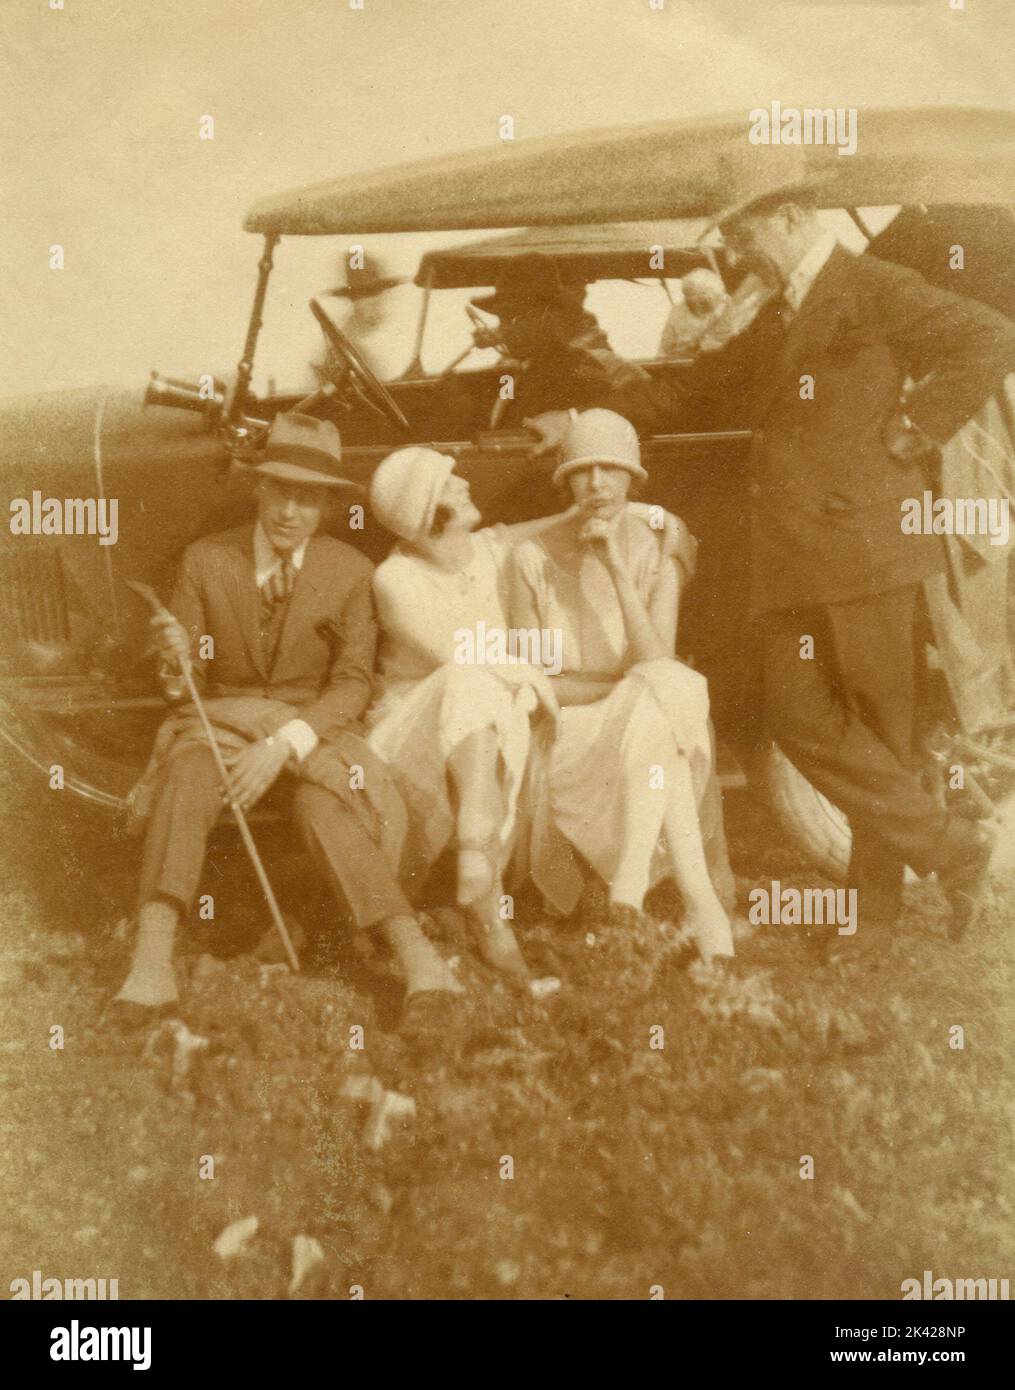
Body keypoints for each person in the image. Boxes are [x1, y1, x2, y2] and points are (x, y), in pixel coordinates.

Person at [526, 157, 1015, 960]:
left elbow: (988, 337)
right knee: (793, 712)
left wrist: (918, 426)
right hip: (793, 559)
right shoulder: (778, 312)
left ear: (791, 218)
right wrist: (591, 415)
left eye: (743, 230)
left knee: (881, 736)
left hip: (868, 551)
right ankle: (952, 847)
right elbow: (696, 389)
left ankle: (876, 922)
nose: (734, 248)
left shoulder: (874, 286)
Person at [115, 412, 461, 1022]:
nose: (289, 512)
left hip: (313, 733)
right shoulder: (205, 560)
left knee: (324, 803)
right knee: (191, 770)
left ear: (327, 506)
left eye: (308, 499)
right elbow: (188, 686)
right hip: (220, 725)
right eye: (280, 491)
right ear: (259, 488)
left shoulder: (350, 572)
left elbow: (354, 683)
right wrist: (173, 659)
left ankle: (416, 959)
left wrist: (284, 742)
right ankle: (151, 962)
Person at [508, 409, 735, 964]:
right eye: (582, 471)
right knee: (664, 703)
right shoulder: (531, 558)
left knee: (663, 695)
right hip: (571, 736)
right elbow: (535, 682)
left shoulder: (660, 539)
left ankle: (627, 901)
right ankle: (699, 908)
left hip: (645, 723)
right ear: (565, 481)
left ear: (634, 479)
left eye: (612, 469)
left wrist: (614, 564)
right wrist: (621, 695)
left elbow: (657, 662)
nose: (598, 484)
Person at [365, 445, 566, 983]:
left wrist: (582, 511)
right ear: (431, 510)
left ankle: (480, 871)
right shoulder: (395, 580)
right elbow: (463, 656)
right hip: (410, 732)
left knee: (482, 700)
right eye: (451, 483)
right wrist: (535, 679)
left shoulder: (482, 550)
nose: (465, 484)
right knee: (468, 678)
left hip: (480, 719)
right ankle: (489, 909)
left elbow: (523, 533)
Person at [469, 253, 645, 428]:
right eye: (503, 320)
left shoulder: (578, 373)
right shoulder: (520, 373)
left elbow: (605, 425)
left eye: (515, 319)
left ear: (547, 318)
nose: (504, 330)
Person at [314, 252, 407, 383]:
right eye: (368, 293)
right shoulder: (342, 348)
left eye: (379, 291)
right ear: (354, 299)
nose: (379, 300)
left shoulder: (381, 340)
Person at [659, 267, 768, 359]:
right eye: (688, 297)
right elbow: (665, 348)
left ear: (716, 294)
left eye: (702, 299)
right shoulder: (678, 312)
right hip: (685, 365)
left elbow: (739, 343)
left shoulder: (730, 307)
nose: (692, 302)